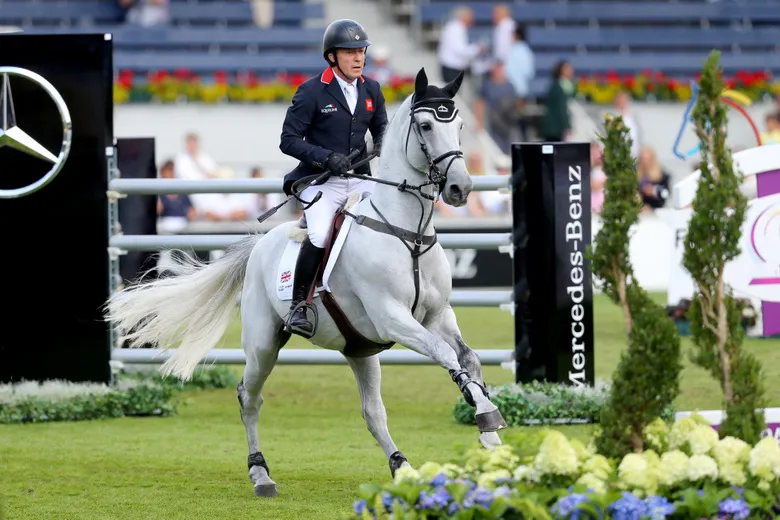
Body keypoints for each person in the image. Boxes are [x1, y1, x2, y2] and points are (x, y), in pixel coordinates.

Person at [278, 18, 388, 338]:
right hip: (322, 180)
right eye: (350, 52)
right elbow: (288, 139)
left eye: (361, 51)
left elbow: (381, 129)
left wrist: (383, 144)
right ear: (332, 57)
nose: (358, 58)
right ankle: (300, 305)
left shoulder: (371, 89)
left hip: (361, 178)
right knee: (320, 234)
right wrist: (326, 157)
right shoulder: (312, 91)